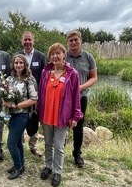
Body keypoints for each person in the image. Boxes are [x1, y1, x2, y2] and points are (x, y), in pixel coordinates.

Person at [38, 43, 83, 186]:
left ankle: (57, 172)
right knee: (47, 143)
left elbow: (76, 96)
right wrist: (38, 111)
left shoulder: (72, 74)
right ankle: (48, 166)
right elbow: (40, 93)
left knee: (58, 146)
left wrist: (76, 116)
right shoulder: (46, 72)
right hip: (46, 114)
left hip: (62, 116)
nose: (55, 56)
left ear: (64, 55)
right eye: (52, 54)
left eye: (58, 53)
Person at [65, 30, 98, 168]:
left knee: (78, 126)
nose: (73, 42)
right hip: (64, 98)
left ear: (80, 40)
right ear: (68, 42)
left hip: (81, 97)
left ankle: (77, 153)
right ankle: (59, 151)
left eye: (75, 40)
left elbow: (94, 77)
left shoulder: (88, 57)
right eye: (71, 40)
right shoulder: (63, 56)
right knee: (62, 124)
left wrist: (79, 88)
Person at [3, 54, 38, 180]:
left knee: (11, 143)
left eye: (21, 63)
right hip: (10, 114)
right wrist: (4, 100)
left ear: (25, 64)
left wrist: (16, 105)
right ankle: (20, 165)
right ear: (13, 64)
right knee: (17, 141)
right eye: (16, 63)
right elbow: (5, 94)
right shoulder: (10, 79)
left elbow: (34, 99)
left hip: (22, 114)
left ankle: (18, 167)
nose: (18, 65)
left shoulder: (29, 79)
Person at [16, 31, 47, 157]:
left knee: (34, 122)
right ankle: (19, 146)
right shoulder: (17, 55)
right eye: (25, 40)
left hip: (36, 97)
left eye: (30, 40)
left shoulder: (41, 56)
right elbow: (13, 73)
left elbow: (44, 77)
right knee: (19, 119)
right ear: (22, 41)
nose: (27, 42)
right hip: (21, 96)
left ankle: (33, 147)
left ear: (33, 41)